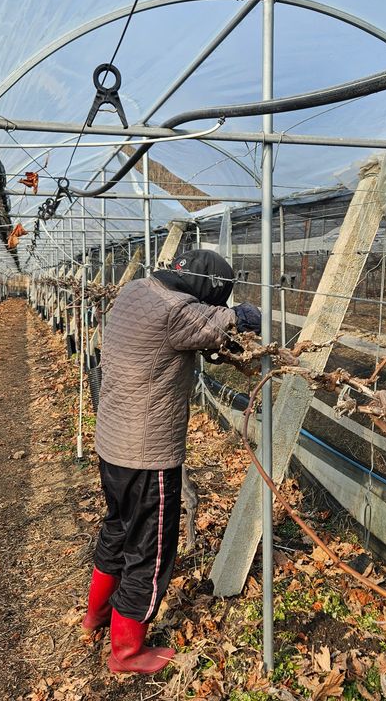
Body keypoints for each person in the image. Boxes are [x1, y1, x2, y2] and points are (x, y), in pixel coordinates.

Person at [81, 249, 261, 674]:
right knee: (150, 550)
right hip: (147, 455)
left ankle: (96, 615)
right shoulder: (177, 311)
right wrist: (247, 314)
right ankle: (126, 653)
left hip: (112, 443)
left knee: (118, 528)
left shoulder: (135, 290)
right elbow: (230, 322)